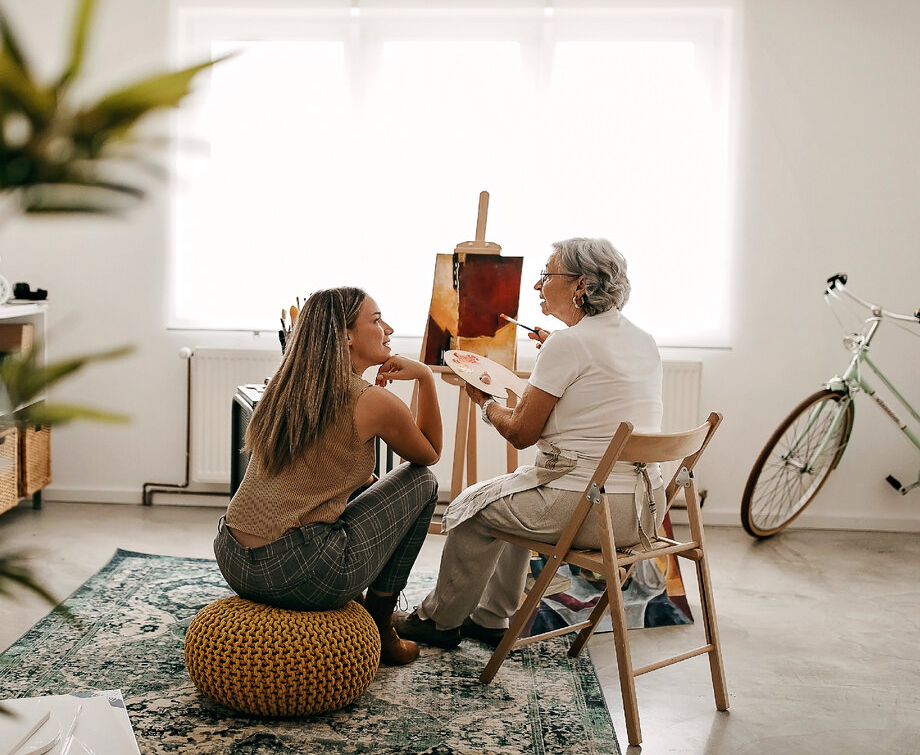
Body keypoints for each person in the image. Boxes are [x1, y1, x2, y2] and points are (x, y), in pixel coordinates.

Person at [394, 237, 663, 649]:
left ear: (580, 285)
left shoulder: (568, 344)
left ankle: (439, 621)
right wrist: (560, 344)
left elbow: (522, 433)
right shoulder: (641, 339)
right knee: (513, 496)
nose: (538, 286)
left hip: (590, 510)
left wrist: (485, 404)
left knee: (474, 509)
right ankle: (488, 618)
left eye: (546, 274)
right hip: (643, 510)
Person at [215, 287, 442, 666]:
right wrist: (425, 379)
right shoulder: (371, 400)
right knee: (422, 483)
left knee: (367, 486)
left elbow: (316, 473)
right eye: (376, 319)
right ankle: (382, 626)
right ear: (346, 334)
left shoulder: (284, 386)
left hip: (234, 559)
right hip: (298, 572)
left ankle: (372, 614)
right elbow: (428, 455)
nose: (388, 328)